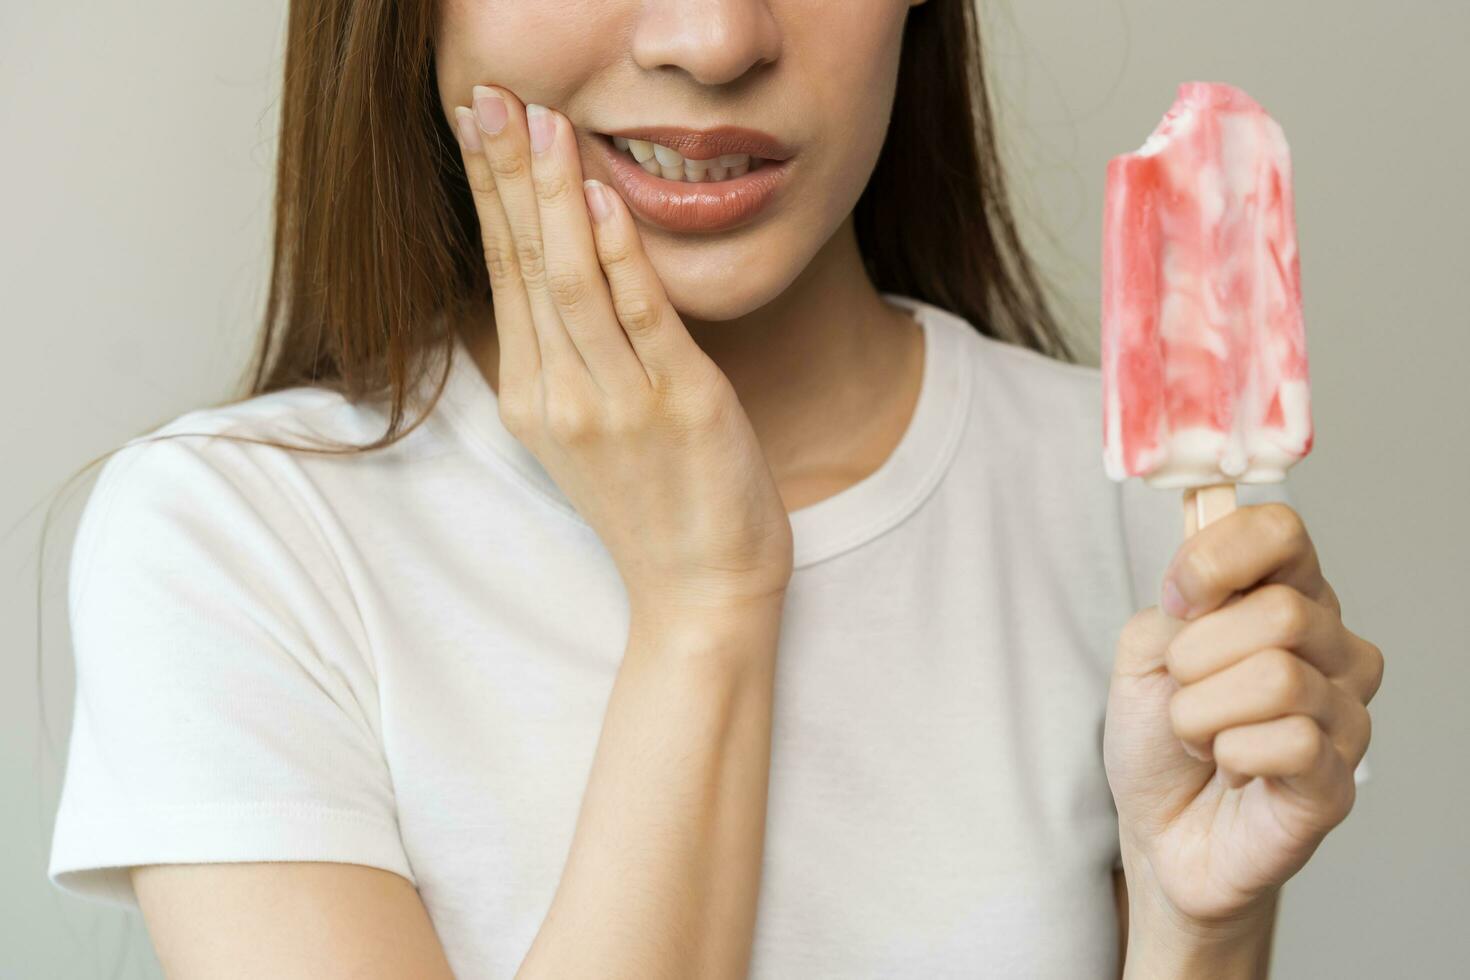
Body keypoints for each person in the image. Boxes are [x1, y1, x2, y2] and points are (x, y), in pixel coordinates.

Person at [46, 0, 1382, 977]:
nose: (711, 37)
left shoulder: (1136, 507)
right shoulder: (233, 541)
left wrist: (1199, 928)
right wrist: (701, 603)